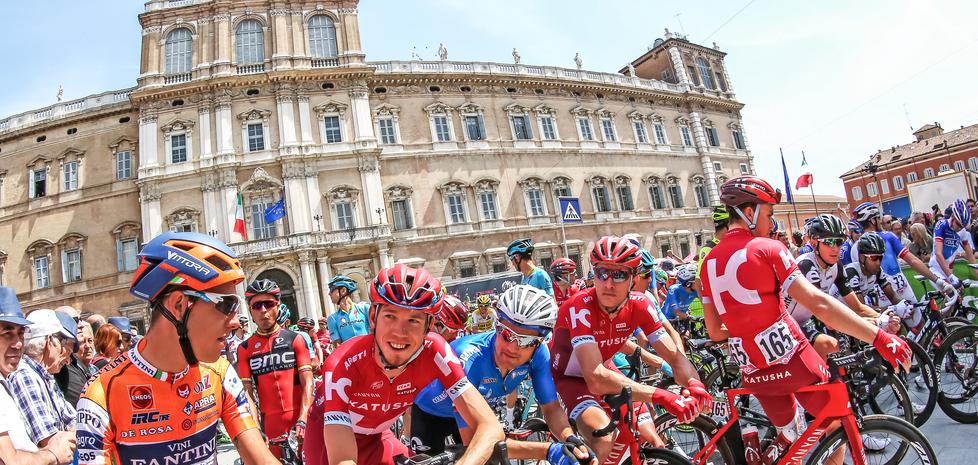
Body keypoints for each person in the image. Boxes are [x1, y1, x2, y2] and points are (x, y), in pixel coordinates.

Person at [699, 176, 911, 463]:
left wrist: (747, 330)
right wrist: (880, 337)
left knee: (792, 441)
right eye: (769, 214)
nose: (772, 224)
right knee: (836, 423)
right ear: (749, 212)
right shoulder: (768, 248)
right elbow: (819, 303)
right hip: (792, 357)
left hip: (751, 366)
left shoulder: (708, 262)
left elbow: (714, 331)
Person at [75, 231, 275, 465]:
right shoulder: (101, 395)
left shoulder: (220, 373)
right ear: (179, 304)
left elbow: (261, 460)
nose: (235, 321)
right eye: (227, 305)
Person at [303, 264, 503, 465]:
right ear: (372, 318)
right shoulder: (341, 363)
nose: (400, 332)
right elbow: (342, 460)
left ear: (429, 325)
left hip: (378, 436)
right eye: (390, 316)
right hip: (326, 440)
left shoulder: (436, 351)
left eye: (414, 320)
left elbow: (490, 427)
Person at [549, 236, 711, 463]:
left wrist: (694, 384)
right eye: (601, 273)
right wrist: (663, 396)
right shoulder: (580, 306)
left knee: (653, 440)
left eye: (619, 274)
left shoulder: (641, 304)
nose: (608, 283)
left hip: (606, 369)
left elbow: (675, 357)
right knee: (604, 442)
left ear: (633, 279)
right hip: (571, 378)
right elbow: (595, 379)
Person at [411, 285, 594, 465]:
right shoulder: (469, 357)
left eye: (525, 341)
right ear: (496, 326)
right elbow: (475, 442)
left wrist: (570, 440)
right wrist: (549, 451)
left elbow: (551, 407)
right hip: (430, 414)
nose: (512, 348)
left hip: (475, 415)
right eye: (506, 334)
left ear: (538, 342)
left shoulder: (539, 354)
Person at [237, 279, 313, 457]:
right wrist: (255, 428)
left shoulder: (295, 339)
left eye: (268, 304)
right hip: (270, 426)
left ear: (278, 305)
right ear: (250, 310)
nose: (263, 310)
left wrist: (303, 418)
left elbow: (308, 382)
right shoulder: (245, 348)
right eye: (257, 306)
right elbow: (247, 393)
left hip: (301, 421)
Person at [0, 288, 77, 464]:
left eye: (21, 333)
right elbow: (10, 461)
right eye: (7, 333)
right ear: (49, 341)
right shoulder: (23, 375)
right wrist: (52, 454)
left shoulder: (6, 381)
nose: (18, 343)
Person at [851, 201, 953, 305]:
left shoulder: (855, 247)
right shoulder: (888, 236)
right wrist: (938, 281)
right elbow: (913, 261)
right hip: (901, 289)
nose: (880, 222)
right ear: (872, 220)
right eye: (878, 218)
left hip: (880, 295)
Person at [930, 199, 977, 283]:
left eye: (963, 226)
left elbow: (969, 253)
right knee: (949, 289)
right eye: (958, 224)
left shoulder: (962, 231)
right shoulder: (941, 225)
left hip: (949, 268)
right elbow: (938, 253)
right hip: (936, 268)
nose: (960, 228)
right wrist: (951, 277)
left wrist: (976, 272)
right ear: (953, 216)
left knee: (958, 290)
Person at [55, 317, 94, 407]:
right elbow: (83, 403)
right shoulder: (63, 368)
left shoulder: (75, 362)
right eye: (75, 320)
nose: (81, 325)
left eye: (90, 340)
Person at [325, 275, 370, 346]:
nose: (329, 294)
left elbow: (377, 332)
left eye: (332, 290)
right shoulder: (332, 319)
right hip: (351, 353)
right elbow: (338, 346)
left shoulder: (364, 308)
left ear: (343, 291)